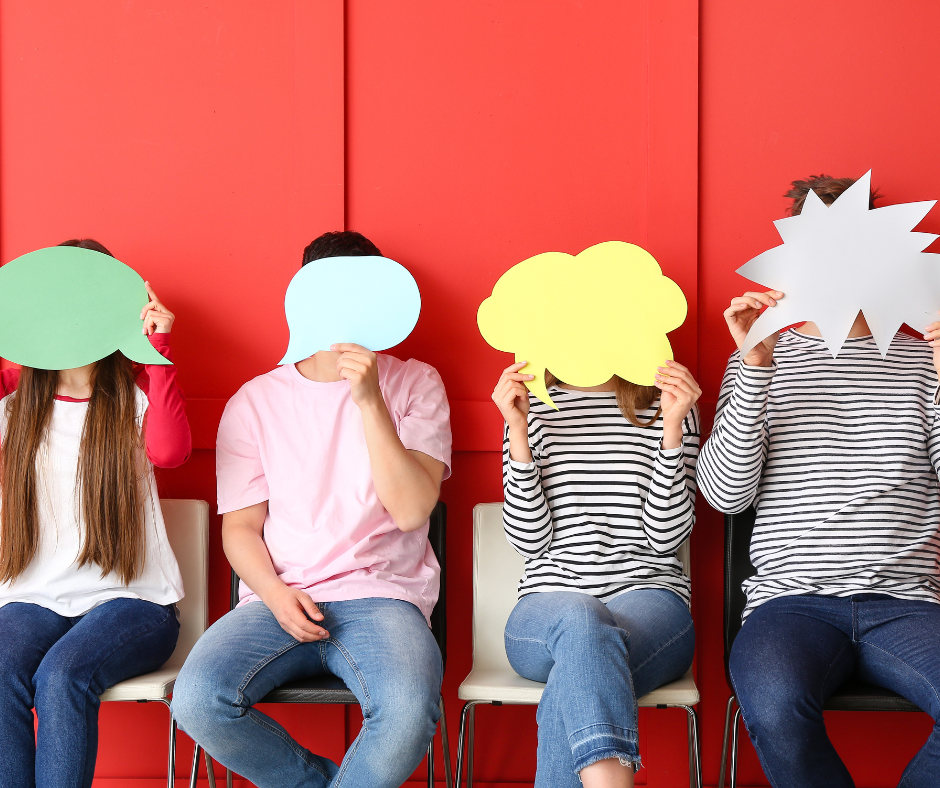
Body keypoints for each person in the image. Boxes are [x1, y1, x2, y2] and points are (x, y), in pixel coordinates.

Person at [173, 231, 452, 788]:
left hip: (384, 596)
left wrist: (370, 400)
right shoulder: (254, 401)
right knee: (197, 699)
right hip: (280, 596)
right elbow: (242, 529)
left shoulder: (416, 382)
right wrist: (276, 595)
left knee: (407, 712)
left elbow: (412, 510)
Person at [698, 175, 940, 787]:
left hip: (909, 603)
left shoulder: (921, 360)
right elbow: (726, 494)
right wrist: (755, 368)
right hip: (790, 603)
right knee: (776, 705)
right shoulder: (760, 357)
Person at [0, 238, 191, 788]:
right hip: (33, 597)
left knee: (62, 676)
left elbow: (170, 452)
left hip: (136, 604)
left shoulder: (136, 400)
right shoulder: (15, 407)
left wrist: (158, 351)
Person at [493, 354, 701, 788]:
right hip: (547, 609)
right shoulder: (530, 406)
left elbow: (665, 539)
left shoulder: (671, 400)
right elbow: (529, 541)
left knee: (573, 681)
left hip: (651, 602)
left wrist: (671, 429)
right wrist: (518, 432)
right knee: (581, 620)